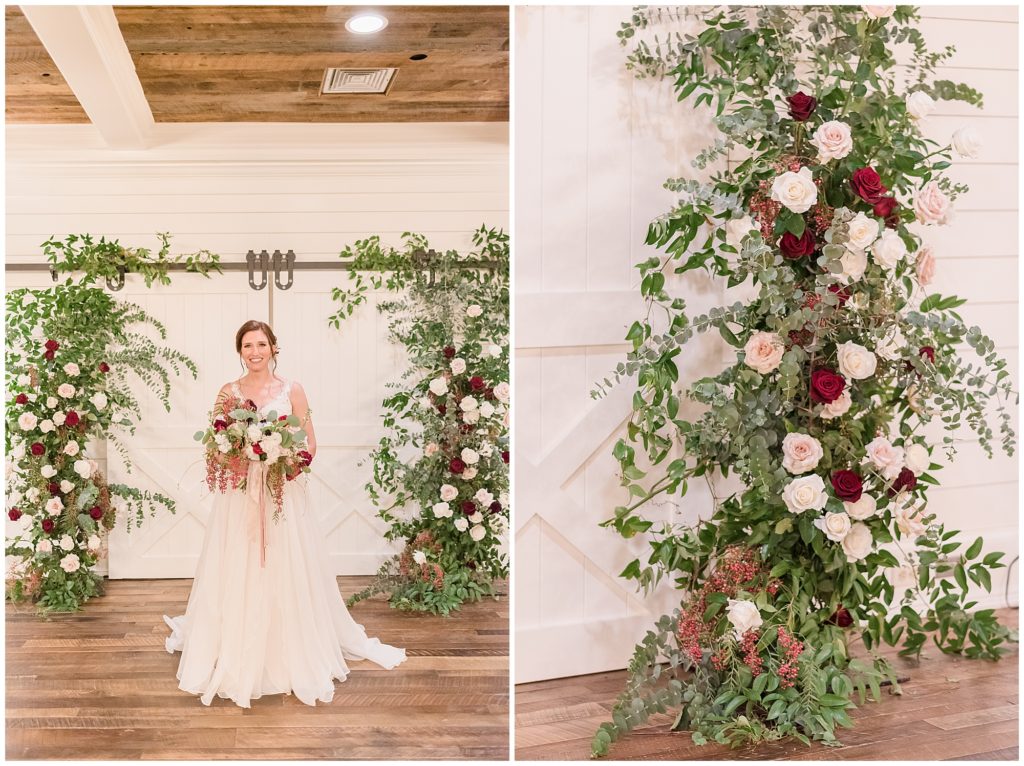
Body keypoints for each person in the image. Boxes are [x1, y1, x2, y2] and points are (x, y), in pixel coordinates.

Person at [163, 319, 405, 707]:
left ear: (274, 347)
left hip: (281, 493)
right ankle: (236, 646)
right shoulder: (228, 391)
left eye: (261, 344)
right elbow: (217, 444)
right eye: (247, 346)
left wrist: (285, 463)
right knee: (238, 564)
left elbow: (310, 443)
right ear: (239, 352)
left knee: (285, 564)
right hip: (241, 496)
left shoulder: (293, 390)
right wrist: (240, 457)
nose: (254, 352)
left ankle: (286, 650)